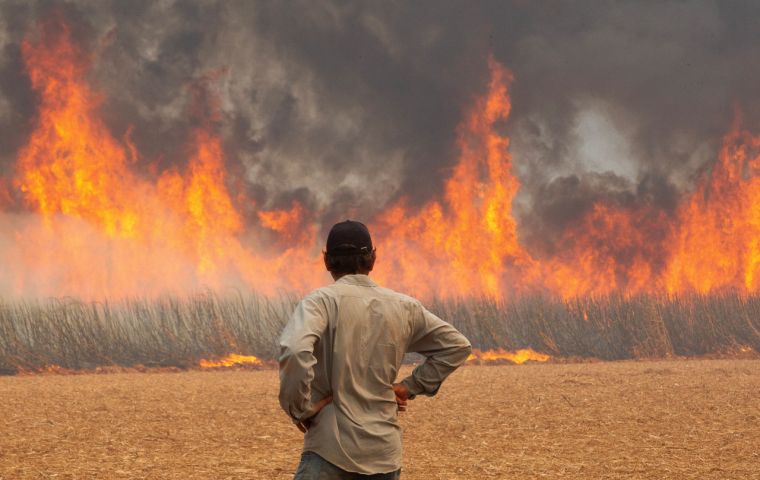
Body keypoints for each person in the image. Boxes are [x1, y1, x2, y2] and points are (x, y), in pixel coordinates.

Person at [278, 219, 472, 479]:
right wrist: (409, 387)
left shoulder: (320, 303)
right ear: (372, 259)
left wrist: (300, 408)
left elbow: (294, 349)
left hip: (330, 450)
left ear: (327, 261)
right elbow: (456, 345)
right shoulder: (404, 307)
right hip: (384, 455)